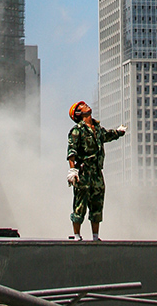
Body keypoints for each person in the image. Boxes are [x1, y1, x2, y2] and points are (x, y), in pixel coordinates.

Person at [66, 100, 125, 241]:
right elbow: (72, 151)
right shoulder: (77, 130)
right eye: (82, 106)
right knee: (80, 204)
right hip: (84, 171)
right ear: (79, 113)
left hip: (97, 172)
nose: (86, 105)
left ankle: (95, 236)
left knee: (97, 203)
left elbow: (107, 135)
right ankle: (77, 235)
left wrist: (118, 132)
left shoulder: (97, 129)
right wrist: (72, 170)